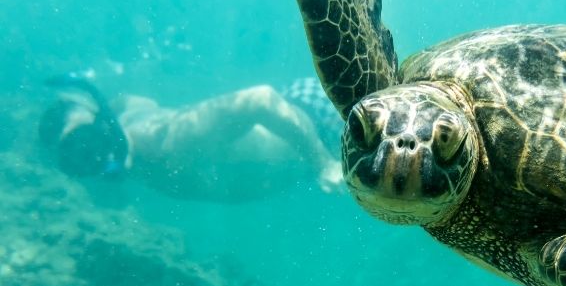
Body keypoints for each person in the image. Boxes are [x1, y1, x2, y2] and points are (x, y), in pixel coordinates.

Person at [38, 74, 344, 202]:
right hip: (308, 124)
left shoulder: (167, 142)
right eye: (76, 162)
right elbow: (136, 101)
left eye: (87, 142)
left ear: (102, 123)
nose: (96, 158)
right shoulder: (131, 121)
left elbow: (259, 99)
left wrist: (322, 163)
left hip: (327, 122)